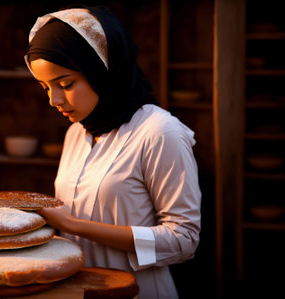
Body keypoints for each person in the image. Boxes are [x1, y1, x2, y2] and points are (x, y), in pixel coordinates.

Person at [25, 5, 201, 299]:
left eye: (66, 84)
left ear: (101, 69)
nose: (54, 100)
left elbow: (184, 240)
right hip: (76, 292)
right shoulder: (77, 133)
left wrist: (73, 224)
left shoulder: (159, 132)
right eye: (45, 87)